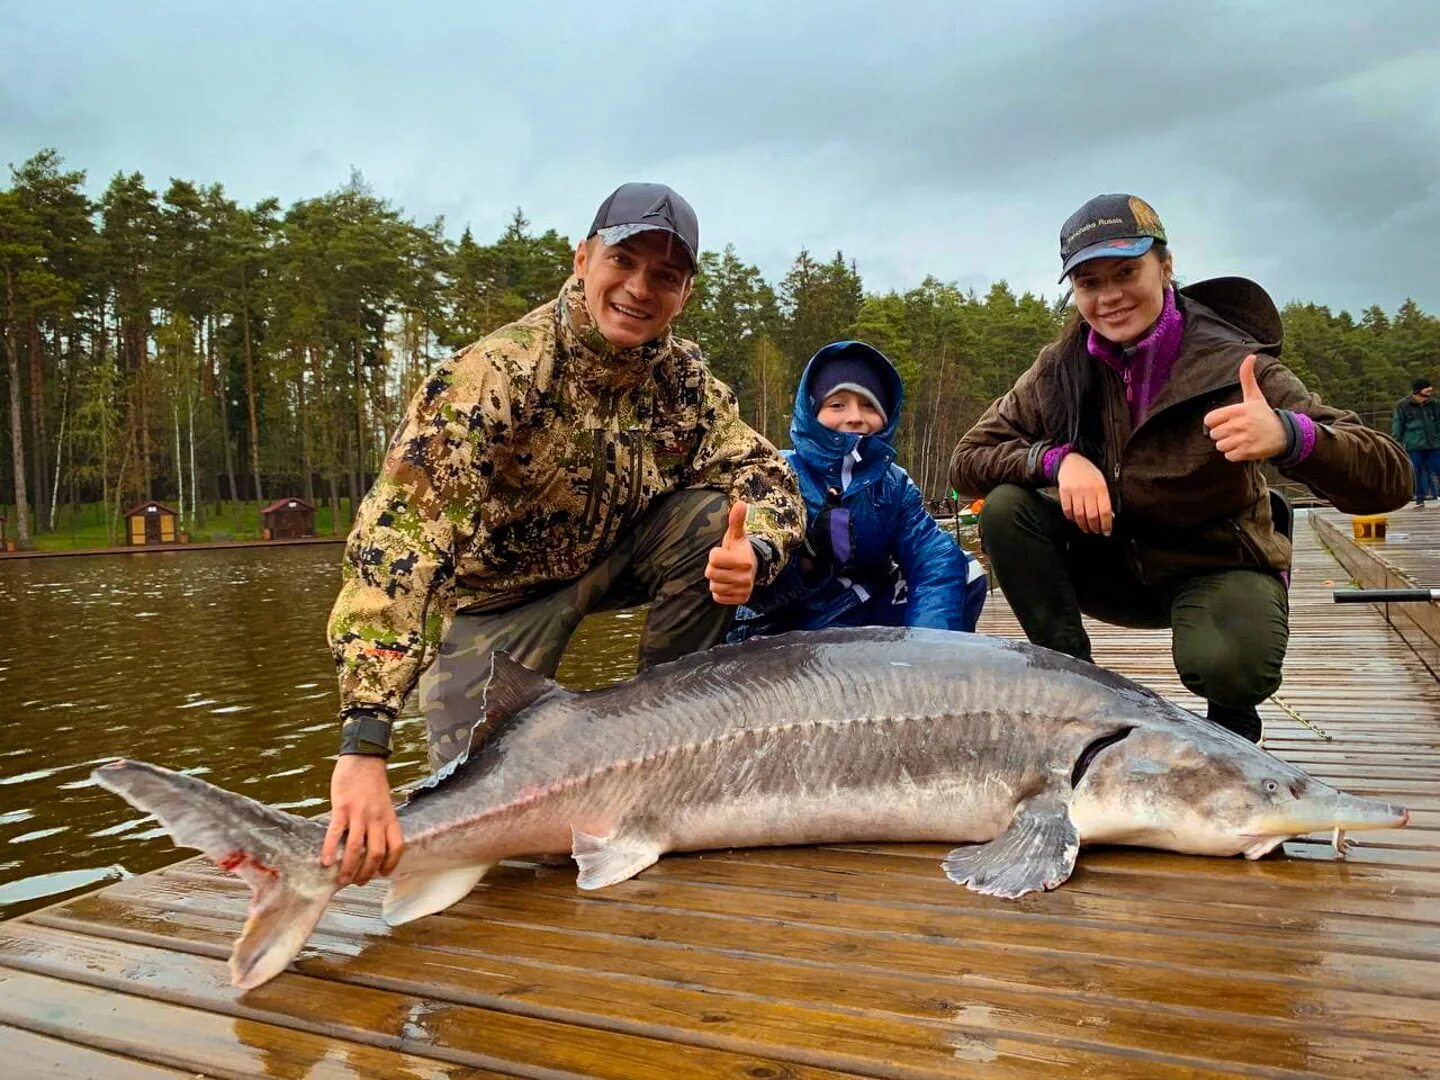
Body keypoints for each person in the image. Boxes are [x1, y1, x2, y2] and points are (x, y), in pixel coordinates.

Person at [323, 183, 806, 887]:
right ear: (583, 257)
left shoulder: (684, 380)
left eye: (665, 276)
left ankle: (669, 740)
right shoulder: (492, 375)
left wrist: (756, 550)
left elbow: (766, 475)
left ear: (685, 294)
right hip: (500, 600)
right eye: (624, 261)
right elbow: (395, 549)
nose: (640, 289)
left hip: (613, 559)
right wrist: (364, 740)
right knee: (496, 824)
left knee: (711, 520)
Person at [950, 193, 1410, 743]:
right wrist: (1055, 460)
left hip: (1212, 564)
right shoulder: (1059, 367)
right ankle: (1074, 689)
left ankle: (1235, 718)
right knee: (1007, 509)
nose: (1110, 296)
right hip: (1111, 563)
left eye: (1126, 272)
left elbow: (1392, 476)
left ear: (1165, 267)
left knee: (1231, 666)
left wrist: (1292, 435)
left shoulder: (1233, 361)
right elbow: (967, 459)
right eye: (1090, 283)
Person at [731, 341, 986, 641]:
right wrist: (809, 561)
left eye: (869, 405)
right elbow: (756, 594)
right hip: (790, 620)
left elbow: (933, 559)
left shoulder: (894, 483)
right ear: (811, 412)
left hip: (862, 607)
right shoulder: (776, 473)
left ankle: (923, 666)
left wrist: (929, 648)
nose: (854, 416)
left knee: (965, 570)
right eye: (837, 404)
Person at [1391, 377, 1440, 507]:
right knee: (1415, 473)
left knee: (1438, 467)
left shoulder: (1435, 404)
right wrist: (1397, 441)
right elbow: (1398, 423)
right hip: (1414, 445)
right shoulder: (1403, 405)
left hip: (1433, 444)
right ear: (1418, 390)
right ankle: (1419, 498)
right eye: (1426, 387)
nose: (1430, 389)